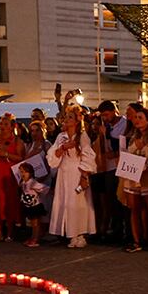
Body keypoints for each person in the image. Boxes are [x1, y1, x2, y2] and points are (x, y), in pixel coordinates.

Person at [45, 107, 97, 249]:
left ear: (76, 121)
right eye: (66, 117)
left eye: (70, 117)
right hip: (64, 172)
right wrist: (63, 148)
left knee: (77, 203)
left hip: (77, 171)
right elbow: (51, 156)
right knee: (65, 202)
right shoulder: (61, 136)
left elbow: (88, 156)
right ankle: (67, 231)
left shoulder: (82, 136)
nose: (66, 120)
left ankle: (79, 233)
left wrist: (84, 175)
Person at [121, 116, 148, 253]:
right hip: (133, 176)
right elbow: (128, 152)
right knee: (135, 209)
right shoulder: (133, 137)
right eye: (135, 118)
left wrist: (146, 166)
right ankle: (137, 240)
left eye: (140, 118)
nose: (137, 120)